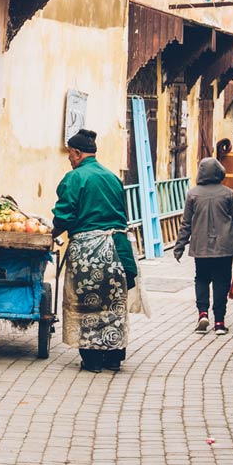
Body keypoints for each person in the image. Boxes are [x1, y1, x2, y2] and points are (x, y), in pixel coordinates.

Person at [52, 128, 137, 372]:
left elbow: (64, 215)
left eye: (69, 154)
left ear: (77, 153)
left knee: (88, 303)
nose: (69, 158)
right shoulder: (112, 177)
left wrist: (50, 235)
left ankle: (92, 360)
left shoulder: (75, 178)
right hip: (118, 249)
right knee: (112, 304)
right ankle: (113, 357)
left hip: (89, 252)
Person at [173, 157, 233, 334]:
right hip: (224, 248)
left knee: (201, 279)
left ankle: (202, 314)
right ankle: (219, 323)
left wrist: (179, 247)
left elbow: (186, 224)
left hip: (200, 248)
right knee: (221, 282)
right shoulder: (228, 193)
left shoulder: (193, 194)